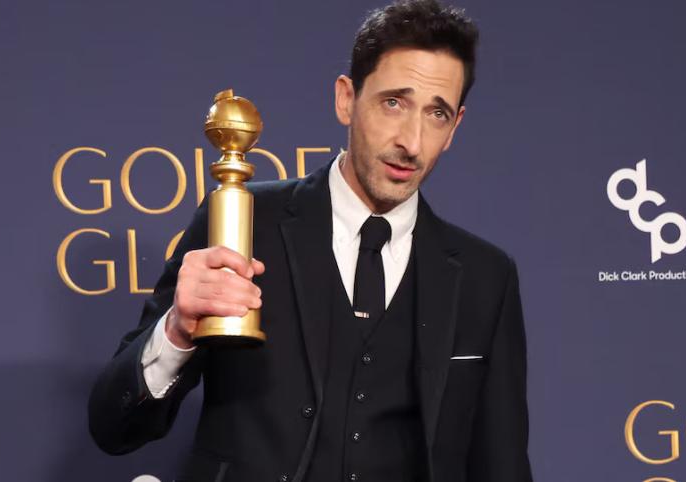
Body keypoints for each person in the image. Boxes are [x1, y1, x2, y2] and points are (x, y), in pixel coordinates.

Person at [88, 1, 533, 481]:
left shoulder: (485, 277)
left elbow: (502, 465)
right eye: (393, 102)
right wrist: (177, 330)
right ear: (346, 98)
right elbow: (114, 428)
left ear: (455, 127)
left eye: (437, 114)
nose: (412, 140)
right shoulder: (243, 222)